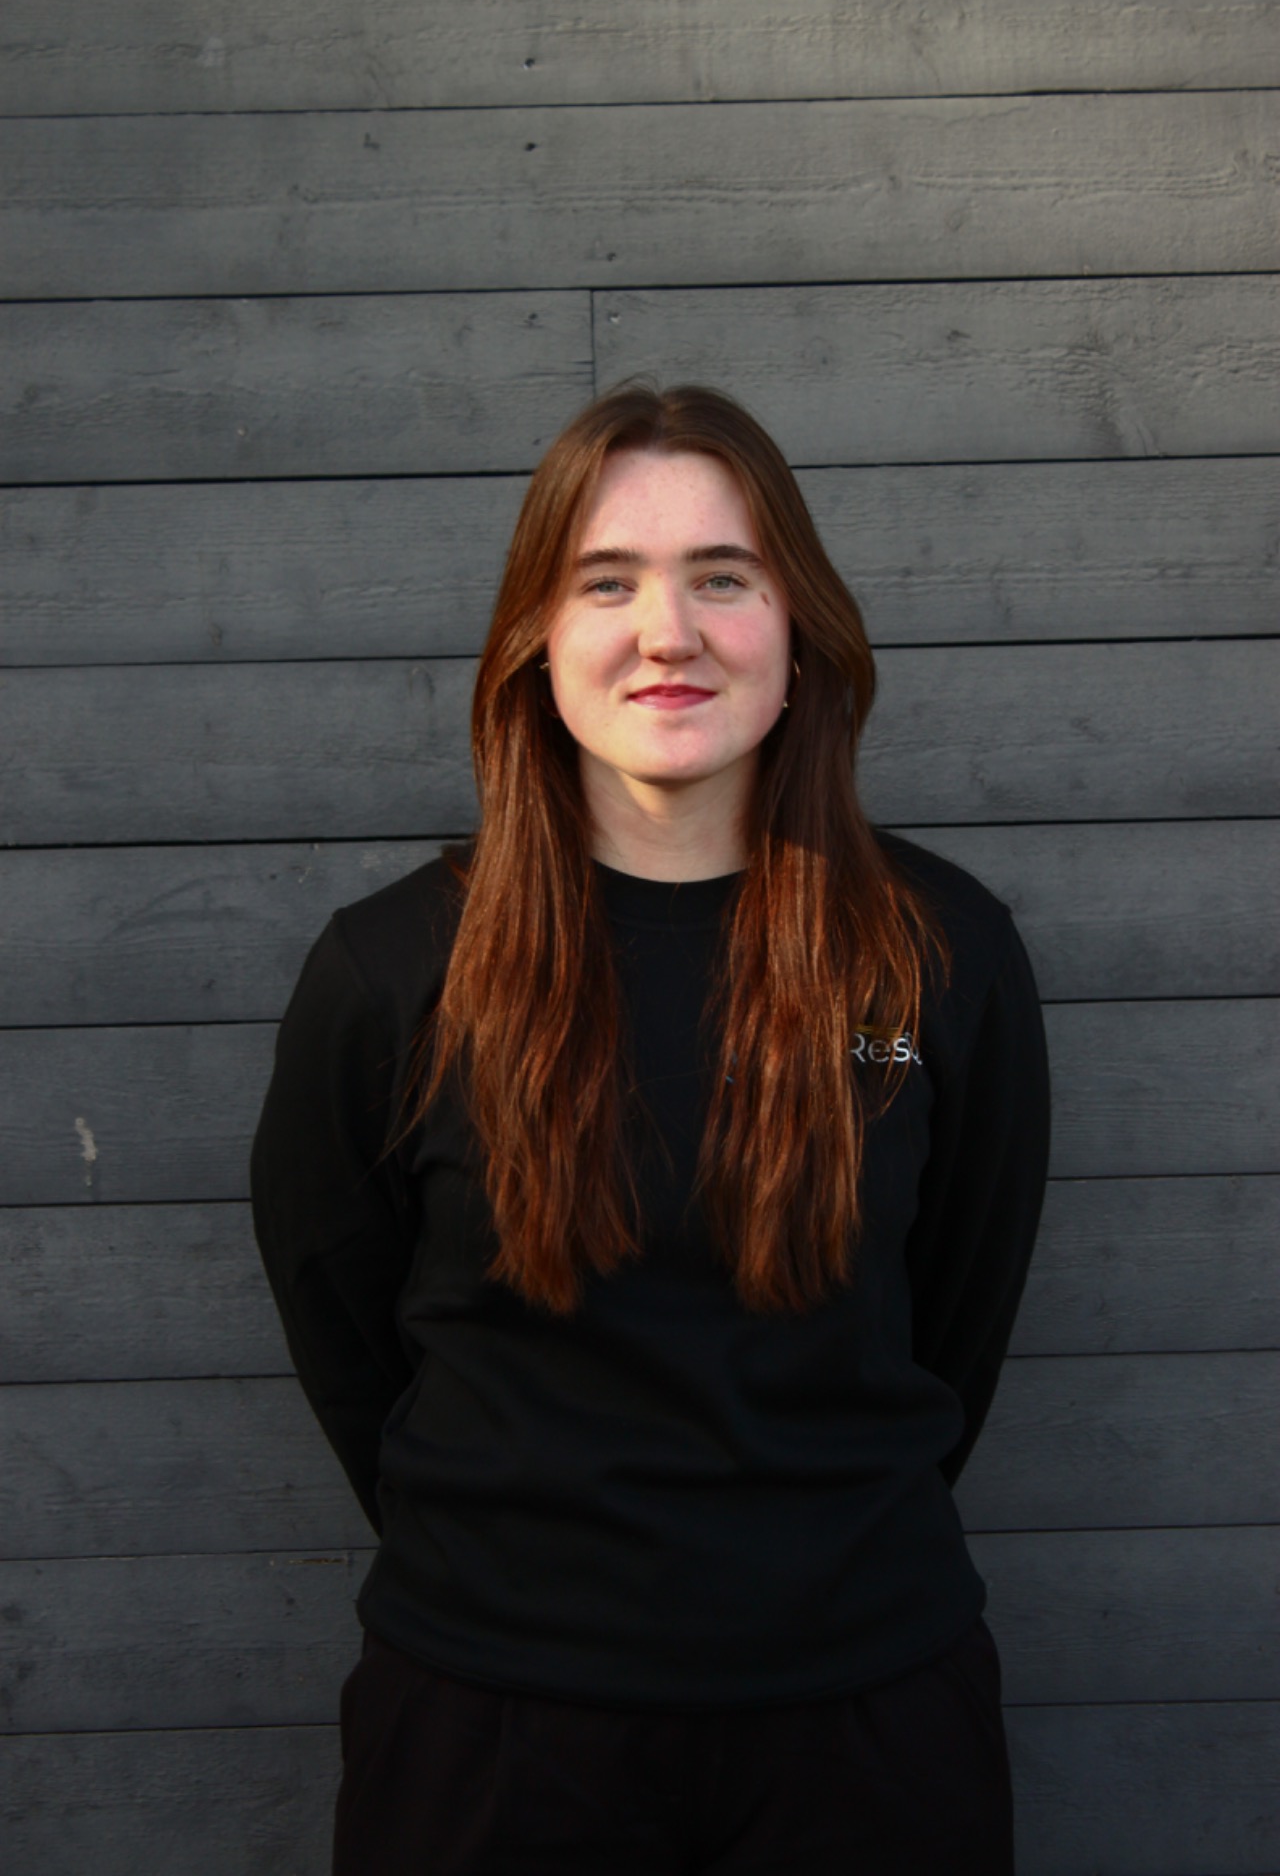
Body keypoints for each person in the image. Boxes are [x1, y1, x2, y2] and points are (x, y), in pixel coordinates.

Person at [250, 383, 1051, 1875]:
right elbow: (346, 1332)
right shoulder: (392, 973)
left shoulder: (930, 963)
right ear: (534, 640)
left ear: (799, 631)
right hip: (488, 1740)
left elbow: (959, 1306)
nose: (666, 632)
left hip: (869, 1729)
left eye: (723, 578)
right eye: (606, 582)